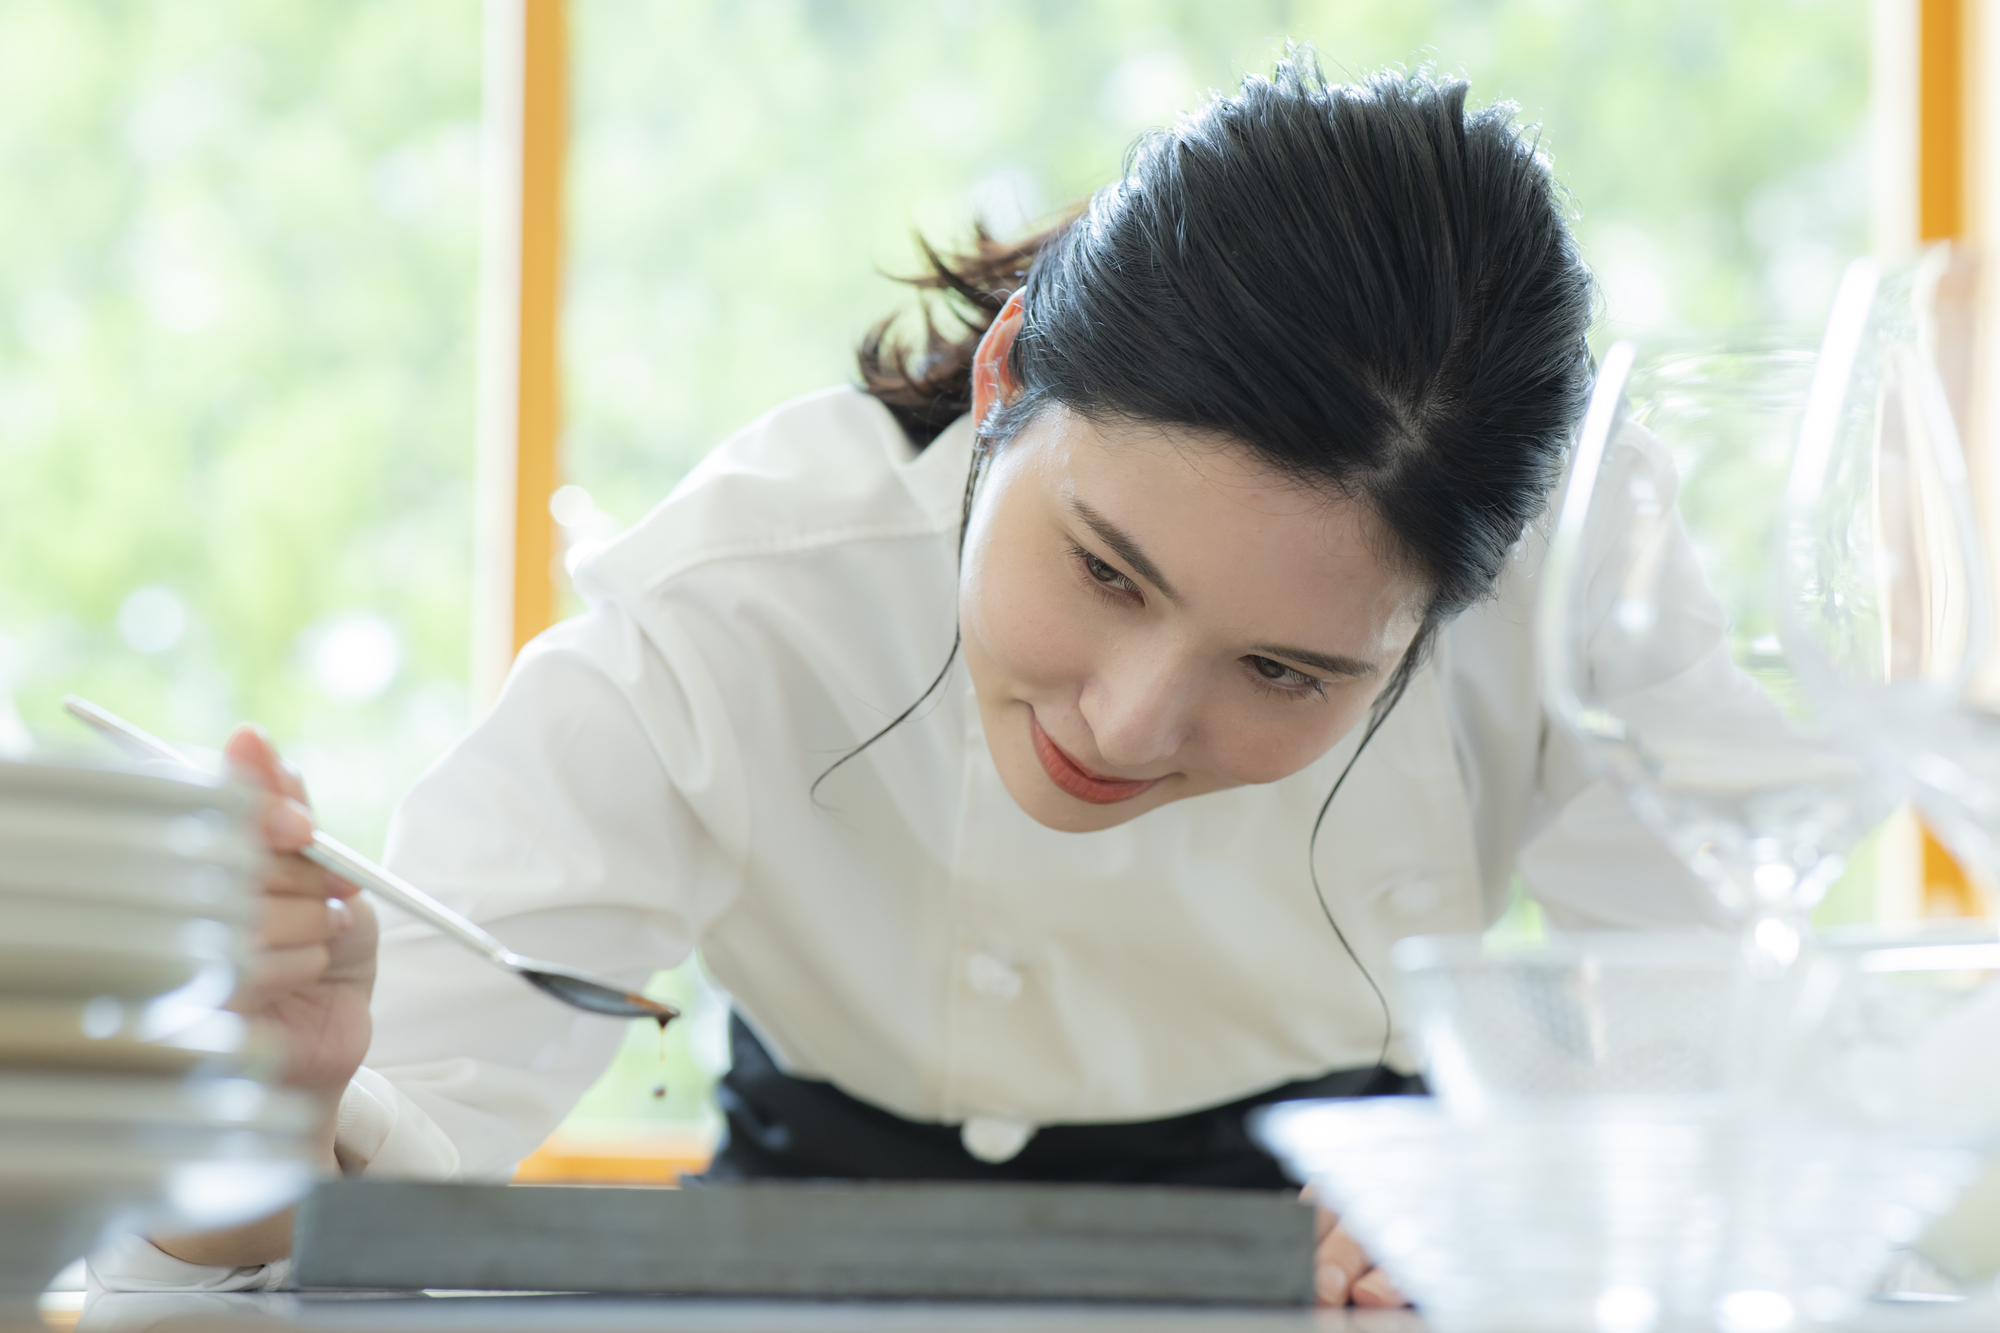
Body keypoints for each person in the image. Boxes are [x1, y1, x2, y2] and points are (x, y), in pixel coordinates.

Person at [99, 53, 1720, 1306]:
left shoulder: (1574, 581)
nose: (1129, 722)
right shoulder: (747, 596)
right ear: (1005, 374)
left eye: (1286, 668)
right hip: (794, 1281)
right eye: (1104, 571)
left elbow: (1745, 1038)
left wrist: (1526, 1190)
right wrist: (258, 1100)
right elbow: (283, 1247)